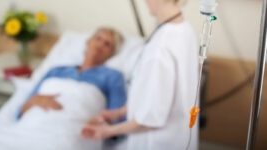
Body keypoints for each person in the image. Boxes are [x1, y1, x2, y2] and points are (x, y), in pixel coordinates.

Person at [82, 0, 199, 149]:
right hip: (180, 138)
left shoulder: (159, 50)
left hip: (156, 143)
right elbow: (158, 95)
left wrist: (107, 131)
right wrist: (119, 112)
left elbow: (150, 120)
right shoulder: (184, 29)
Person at [18, 27, 127, 118]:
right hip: (34, 124)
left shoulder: (113, 77)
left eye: (107, 44)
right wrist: (33, 102)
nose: (100, 45)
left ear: (112, 54)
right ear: (88, 42)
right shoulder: (56, 71)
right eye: (98, 38)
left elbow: (117, 119)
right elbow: (20, 112)